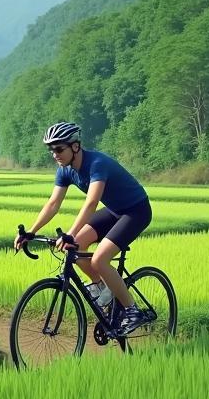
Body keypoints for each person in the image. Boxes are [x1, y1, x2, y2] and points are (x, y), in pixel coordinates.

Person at [14, 122, 154, 335]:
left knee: (99, 259)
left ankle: (133, 311)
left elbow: (91, 203)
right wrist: (31, 232)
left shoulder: (97, 163)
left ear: (75, 147)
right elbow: (53, 204)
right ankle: (101, 286)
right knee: (75, 248)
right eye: (51, 150)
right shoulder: (65, 171)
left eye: (59, 149)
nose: (55, 155)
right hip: (115, 210)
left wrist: (70, 233)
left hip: (136, 211)